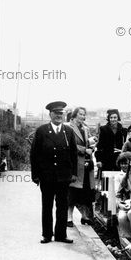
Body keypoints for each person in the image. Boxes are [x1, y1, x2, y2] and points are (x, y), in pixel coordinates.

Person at [30, 101, 77, 244]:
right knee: (47, 206)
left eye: (61, 113)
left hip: (64, 177)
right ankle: (47, 235)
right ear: (50, 114)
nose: (58, 116)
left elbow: (73, 154)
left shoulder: (68, 132)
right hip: (47, 176)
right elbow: (34, 154)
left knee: (62, 206)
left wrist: (74, 173)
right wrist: (36, 175)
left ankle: (61, 235)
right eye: (56, 113)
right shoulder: (42, 131)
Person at [66, 107, 95, 226]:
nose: (83, 117)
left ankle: (84, 216)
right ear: (74, 115)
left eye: (84, 114)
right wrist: (84, 150)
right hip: (75, 163)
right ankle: (69, 217)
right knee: (72, 191)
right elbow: (69, 145)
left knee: (85, 191)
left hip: (86, 164)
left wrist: (92, 145)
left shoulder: (86, 128)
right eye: (81, 114)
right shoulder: (68, 127)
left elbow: (89, 143)